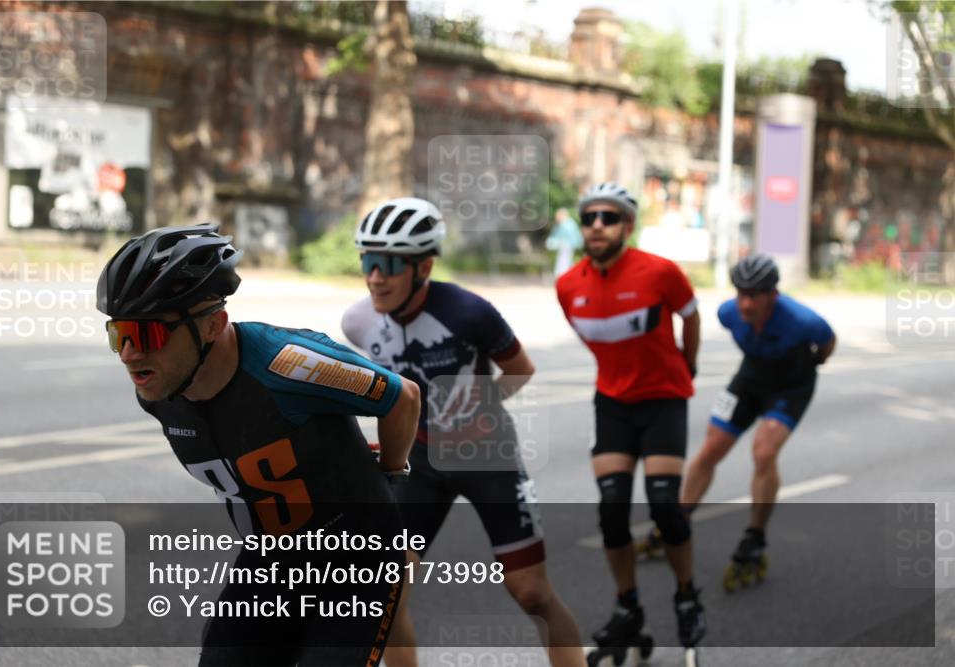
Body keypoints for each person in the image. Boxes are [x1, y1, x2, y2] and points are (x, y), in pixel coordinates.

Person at [96, 223, 421, 666]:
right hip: (269, 561)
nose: (130, 354)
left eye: (150, 334)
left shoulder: (289, 364)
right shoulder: (159, 389)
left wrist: (391, 476)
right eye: (120, 334)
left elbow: (403, 397)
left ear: (214, 325)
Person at [341, 197, 585, 667]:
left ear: (424, 266)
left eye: (390, 264)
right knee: (384, 596)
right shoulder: (358, 321)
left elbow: (520, 370)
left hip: (487, 455)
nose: (375, 275)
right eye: (368, 261)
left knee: (531, 592)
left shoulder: (471, 313)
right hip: (421, 462)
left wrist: (477, 409)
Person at [555, 182, 706, 651]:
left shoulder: (661, 272)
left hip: (663, 400)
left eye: (609, 217)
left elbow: (692, 316)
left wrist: (688, 363)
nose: (597, 225)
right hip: (614, 403)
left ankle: (686, 596)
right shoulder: (567, 286)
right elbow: (595, 340)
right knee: (611, 509)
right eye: (589, 218)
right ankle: (628, 605)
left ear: (628, 225)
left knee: (664, 505)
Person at [679, 254, 836, 591]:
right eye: (741, 294)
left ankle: (755, 536)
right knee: (710, 448)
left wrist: (813, 363)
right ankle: (680, 519)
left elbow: (827, 343)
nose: (746, 303)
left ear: (772, 295)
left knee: (763, 453)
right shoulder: (727, 313)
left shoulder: (801, 320)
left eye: (755, 295)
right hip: (749, 380)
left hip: (791, 387)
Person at [546, 207, 584, 277]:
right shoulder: (564, 224)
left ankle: (563, 276)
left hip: (567, 246)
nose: (556, 218)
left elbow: (572, 238)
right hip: (565, 247)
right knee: (566, 262)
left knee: (564, 262)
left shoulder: (568, 224)